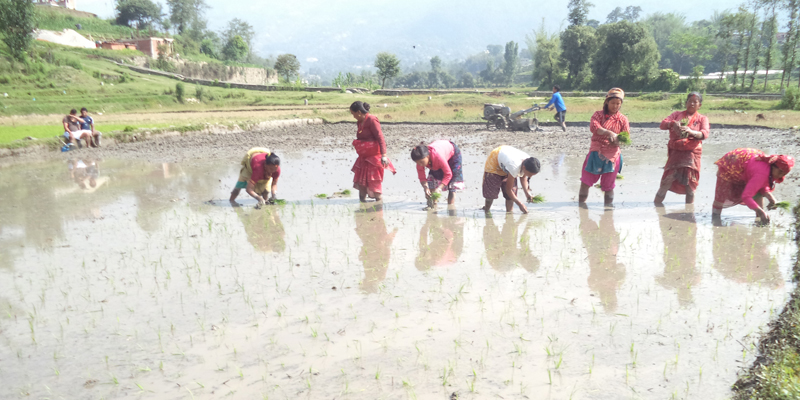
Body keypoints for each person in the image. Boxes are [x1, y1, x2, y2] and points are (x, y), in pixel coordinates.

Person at [711, 148, 794, 224]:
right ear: (773, 166)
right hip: (732, 163)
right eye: (780, 172)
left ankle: (759, 219)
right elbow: (746, 196)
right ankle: (715, 218)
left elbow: (761, 185)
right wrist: (760, 211)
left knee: (755, 188)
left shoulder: (770, 167)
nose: (780, 176)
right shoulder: (761, 174)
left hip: (748, 162)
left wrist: (771, 198)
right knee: (722, 192)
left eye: (784, 174)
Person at [654, 93, 709, 204]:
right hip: (676, 154)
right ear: (686, 103)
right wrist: (672, 124)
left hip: (691, 155)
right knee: (666, 181)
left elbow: (704, 134)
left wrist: (691, 132)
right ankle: (656, 208)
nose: (692, 103)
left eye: (695, 101)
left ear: (700, 105)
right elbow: (662, 125)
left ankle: (689, 212)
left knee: (690, 186)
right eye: (689, 101)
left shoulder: (702, 118)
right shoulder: (676, 115)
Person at [578, 88, 630, 206]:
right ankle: (581, 207)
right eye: (612, 103)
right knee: (586, 182)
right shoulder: (598, 115)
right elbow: (594, 128)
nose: (615, 106)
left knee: (608, 186)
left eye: (618, 104)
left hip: (612, 156)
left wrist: (617, 141)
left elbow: (626, 137)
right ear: (607, 102)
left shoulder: (623, 119)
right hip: (596, 153)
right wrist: (609, 133)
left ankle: (608, 212)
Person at [350, 101, 396, 202]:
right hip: (363, 158)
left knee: (374, 183)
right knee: (361, 183)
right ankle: (362, 207)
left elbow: (380, 137)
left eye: (353, 114)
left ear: (359, 112)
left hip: (373, 158)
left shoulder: (372, 120)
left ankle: (378, 209)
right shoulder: (359, 122)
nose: (353, 116)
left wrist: (384, 155)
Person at [481, 145, 540, 214]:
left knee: (511, 195)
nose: (530, 176)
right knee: (491, 193)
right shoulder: (514, 167)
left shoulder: (529, 162)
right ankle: (487, 211)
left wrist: (527, 193)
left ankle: (509, 214)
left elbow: (523, 177)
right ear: (524, 167)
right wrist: (519, 204)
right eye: (530, 174)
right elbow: (508, 190)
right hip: (495, 160)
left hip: (508, 161)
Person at [411, 140, 465, 207]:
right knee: (432, 181)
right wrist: (425, 188)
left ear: (427, 156)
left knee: (452, 185)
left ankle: (451, 208)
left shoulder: (438, 157)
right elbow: (422, 177)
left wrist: (439, 188)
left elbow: (448, 174)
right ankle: (433, 206)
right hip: (435, 159)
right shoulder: (420, 160)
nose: (420, 164)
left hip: (452, 154)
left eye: (421, 162)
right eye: (417, 162)